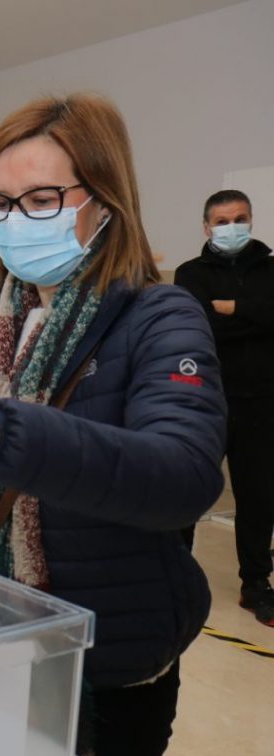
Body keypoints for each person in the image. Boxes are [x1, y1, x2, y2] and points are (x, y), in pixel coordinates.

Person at [0, 94, 225, 756]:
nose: (14, 221)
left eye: (41, 200)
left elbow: (182, 477)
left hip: (105, 651)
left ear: (105, 202)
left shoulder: (162, 316)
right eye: (0, 204)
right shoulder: (3, 311)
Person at [175, 190, 274, 627]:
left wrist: (233, 309)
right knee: (188, 490)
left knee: (258, 498)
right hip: (208, 402)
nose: (230, 226)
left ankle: (256, 585)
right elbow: (200, 328)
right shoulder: (190, 273)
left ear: (251, 220)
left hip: (263, 404)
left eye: (239, 217)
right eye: (221, 220)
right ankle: (174, 576)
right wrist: (258, 318)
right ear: (206, 226)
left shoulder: (270, 268)